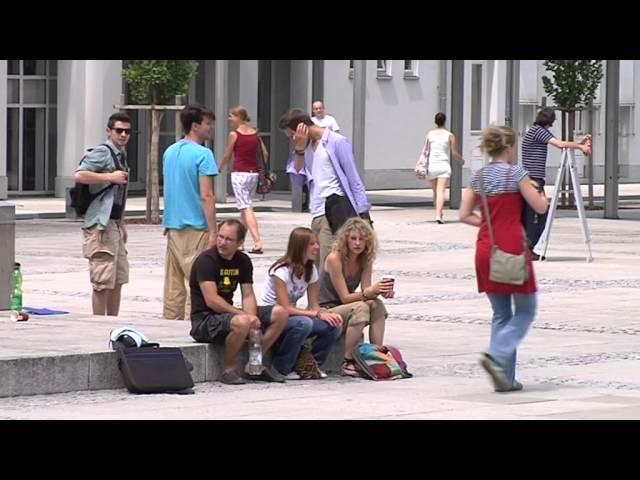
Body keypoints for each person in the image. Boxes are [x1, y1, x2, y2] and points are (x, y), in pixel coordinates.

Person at [459, 125, 548, 393]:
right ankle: (497, 355)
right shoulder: (517, 173)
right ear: (509, 148)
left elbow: (464, 215)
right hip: (511, 249)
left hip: (486, 248)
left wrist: (487, 223)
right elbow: (540, 207)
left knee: (500, 314)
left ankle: (505, 378)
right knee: (526, 310)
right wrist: (540, 191)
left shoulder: (479, 178)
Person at [189, 219, 288, 385]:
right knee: (242, 321)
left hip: (228, 315)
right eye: (220, 237)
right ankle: (228, 370)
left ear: (239, 243)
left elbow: (247, 294)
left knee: (280, 313)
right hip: (205, 319)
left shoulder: (243, 261)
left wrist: (252, 316)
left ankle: (255, 363)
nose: (222, 242)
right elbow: (212, 300)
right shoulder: (206, 260)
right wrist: (244, 316)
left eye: (229, 239)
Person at [280, 108, 371, 269]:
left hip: (334, 208)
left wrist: (363, 212)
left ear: (302, 127)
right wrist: (300, 151)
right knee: (314, 265)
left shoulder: (336, 141)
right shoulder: (301, 149)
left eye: (292, 135)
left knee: (328, 264)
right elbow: (297, 181)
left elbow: (353, 177)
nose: (292, 139)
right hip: (316, 211)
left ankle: (335, 294)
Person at [260, 227, 342, 379]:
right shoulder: (281, 271)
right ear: (299, 247)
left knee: (333, 324)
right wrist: (315, 313)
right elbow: (285, 308)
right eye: (312, 244)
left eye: (317, 243)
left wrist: (323, 313)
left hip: (292, 316)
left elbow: (314, 304)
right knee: (304, 323)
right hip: (273, 317)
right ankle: (282, 368)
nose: (317, 247)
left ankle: (310, 365)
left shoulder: (311, 270)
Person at [162, 105, 218, 320]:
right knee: (195, 283)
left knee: (173, 286)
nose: (211, 127)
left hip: (173, 225)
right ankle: (192, 327)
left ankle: (170, 326)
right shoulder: (204, 154)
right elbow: (207, 195)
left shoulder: (170, 151)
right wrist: (213, 231)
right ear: (195, 126)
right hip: (196, 226)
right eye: (207, 123)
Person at [318, 217, 393, 377]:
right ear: (345, 239)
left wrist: (380, 291)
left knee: (376, 304)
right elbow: (345, 297)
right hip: (326, 308)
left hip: (346, 306)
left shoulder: (365, 259)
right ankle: (348, 360)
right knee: (361, 307)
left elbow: (366, 292)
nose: (357, 243)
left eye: (362, 239)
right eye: (353, 239)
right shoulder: (334, 258)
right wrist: (369, 292)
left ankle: (376, 353)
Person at [74, 112, 131, 316]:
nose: (123, 134)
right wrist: (109, 176)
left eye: (127, 131)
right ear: (109, 131)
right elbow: (79, 174)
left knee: (118, 278)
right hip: (99, 224)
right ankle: (99, 325)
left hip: (112, 223)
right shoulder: (102, 152)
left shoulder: (121, 155)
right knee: (103, 279)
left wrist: (121, 222)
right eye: (119, 130)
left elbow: (118, 194)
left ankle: (113, 323)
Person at [521, 107, 591, 260]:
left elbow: (560, 143)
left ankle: (526, 247)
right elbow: (559, 145)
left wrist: (578, 143)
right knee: (540, 214)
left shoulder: (535, 130)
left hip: (530, 178)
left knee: (531, 215)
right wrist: (580, 147)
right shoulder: (539, 131)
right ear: (550, 121)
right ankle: (527, 248)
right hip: (533, 180)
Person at [219, 106, 267, 254]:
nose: (229, 119)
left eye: (231, 116)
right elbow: (265, 153)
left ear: (239, 116)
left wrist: (220, 167)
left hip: (239, 174)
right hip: (253, 175)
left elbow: (228, 154)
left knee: (246, 207)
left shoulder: (234, 134)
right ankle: (240, 243)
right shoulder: (255, 134)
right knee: (244, 208)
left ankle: (257, 241)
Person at [419, 112, 464, 224]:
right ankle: (439, 214)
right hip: (444, 165)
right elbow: (454, 153)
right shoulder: (449, 135)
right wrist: (461, 160)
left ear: (435, 121)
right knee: (441, 191)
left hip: (432, 165)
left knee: (435, 192)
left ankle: (438, 213)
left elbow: (426, 151)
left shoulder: (429, 134)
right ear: (445, 121)